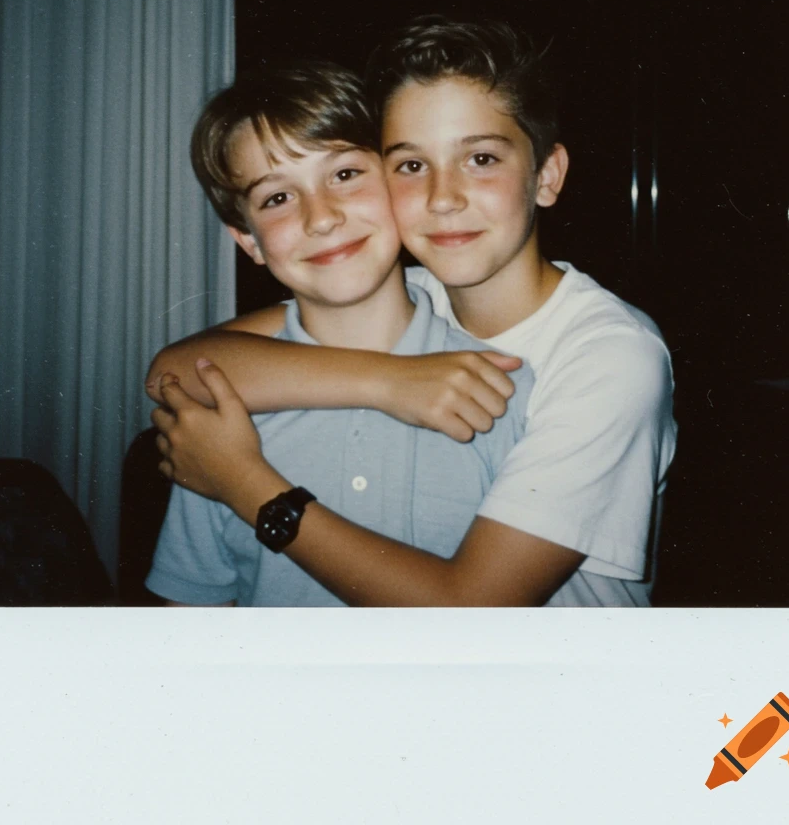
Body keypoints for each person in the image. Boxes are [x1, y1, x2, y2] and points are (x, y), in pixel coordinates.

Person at [150, 18, 677, 606]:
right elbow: (177, 369)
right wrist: (389, 381)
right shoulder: (418, 291)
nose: (443, 197)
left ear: (546, 175)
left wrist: (241, 482)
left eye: (480, 159)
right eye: (411, 165)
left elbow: (473, 608)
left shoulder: (608, 354)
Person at [145, 60, 538, 606]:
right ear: (249, 242)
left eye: (346, 174)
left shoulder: (508, 391)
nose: (321, 217)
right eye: (277, 198)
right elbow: (190, 611)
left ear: (399, 184)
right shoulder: (219, 417)